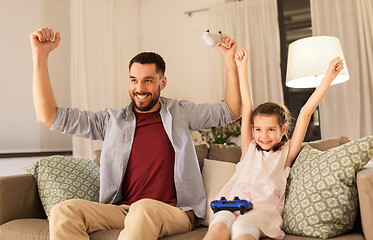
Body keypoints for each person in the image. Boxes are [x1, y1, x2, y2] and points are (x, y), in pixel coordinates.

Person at [29, 27, 242, 240]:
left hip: (174, 211)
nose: (139, 88)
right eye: (133, 80)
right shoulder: (111, 121)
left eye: (148, 80)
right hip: (124, 210)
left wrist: (228, 59)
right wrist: (40, 55)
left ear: (162, 82)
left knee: (143, 208)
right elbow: (48, 115)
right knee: (64, 211)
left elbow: (232, 110)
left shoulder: (181, 113)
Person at [203, 48, 344, 240]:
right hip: (230, 203)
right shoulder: (249, 148)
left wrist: (328, 77)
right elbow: (247, 105)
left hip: (262, 209)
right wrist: (241, 67)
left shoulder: (285, 154)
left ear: (282, 130)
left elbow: (305, 113)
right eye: (259, 129)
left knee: (242, 227)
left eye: (271, 129)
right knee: (219, 225)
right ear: (252, 130)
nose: (264, 136)